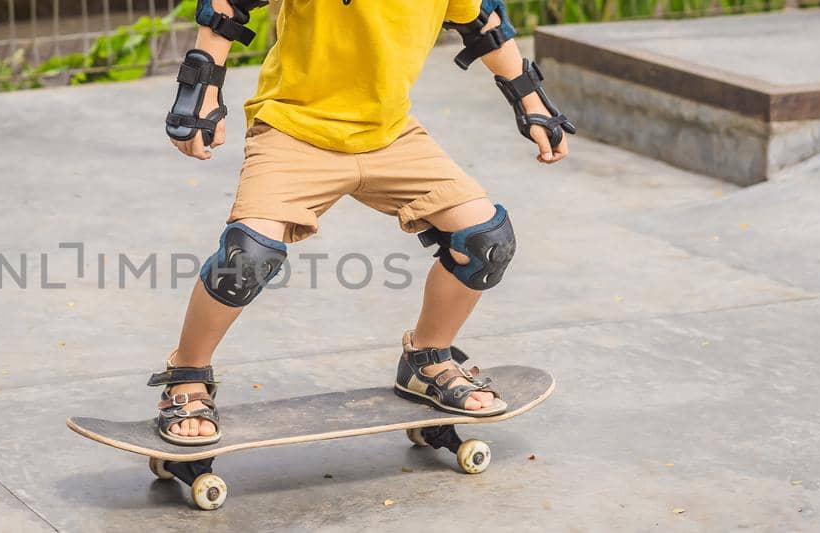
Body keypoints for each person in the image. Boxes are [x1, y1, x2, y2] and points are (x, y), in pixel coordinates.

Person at [153, 0, 574, 445]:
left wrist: (532, 101)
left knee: (487, 241)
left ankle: (425, 358)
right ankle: (187, 371)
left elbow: (485, 23)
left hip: (390, 135)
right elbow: (225, 7)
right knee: (247, 257)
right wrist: (203, 92)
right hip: (295, 130)